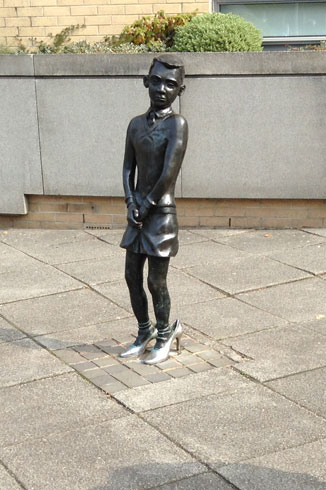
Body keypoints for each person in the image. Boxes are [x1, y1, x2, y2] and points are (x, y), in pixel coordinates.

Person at [119, 55, 189, 365]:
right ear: (146, 81)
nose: (162, 88)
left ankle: (165, 333)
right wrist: (131, 203)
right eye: (157, 81)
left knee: (155, 281)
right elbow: (126, 169)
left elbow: (168, 173)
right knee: (131, 276)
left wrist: (145, 206)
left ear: (180, 90)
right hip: (137, 215)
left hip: (160, 216)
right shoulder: (134, 124)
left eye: (170, 84)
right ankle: (143, 331)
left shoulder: (178, 125)